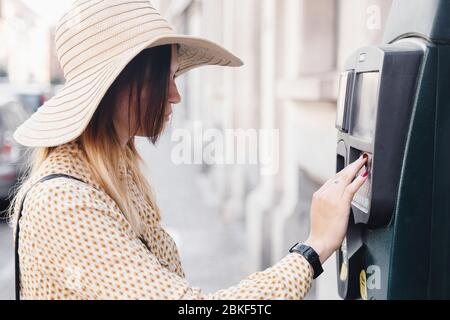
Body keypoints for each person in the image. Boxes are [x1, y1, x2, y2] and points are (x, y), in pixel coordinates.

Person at [9, 0, 368, 300]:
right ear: (118, 84)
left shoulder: (113, 172)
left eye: (175, 78)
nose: (176, 95)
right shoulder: (66, 204)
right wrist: (314, 248)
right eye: (163, 79)